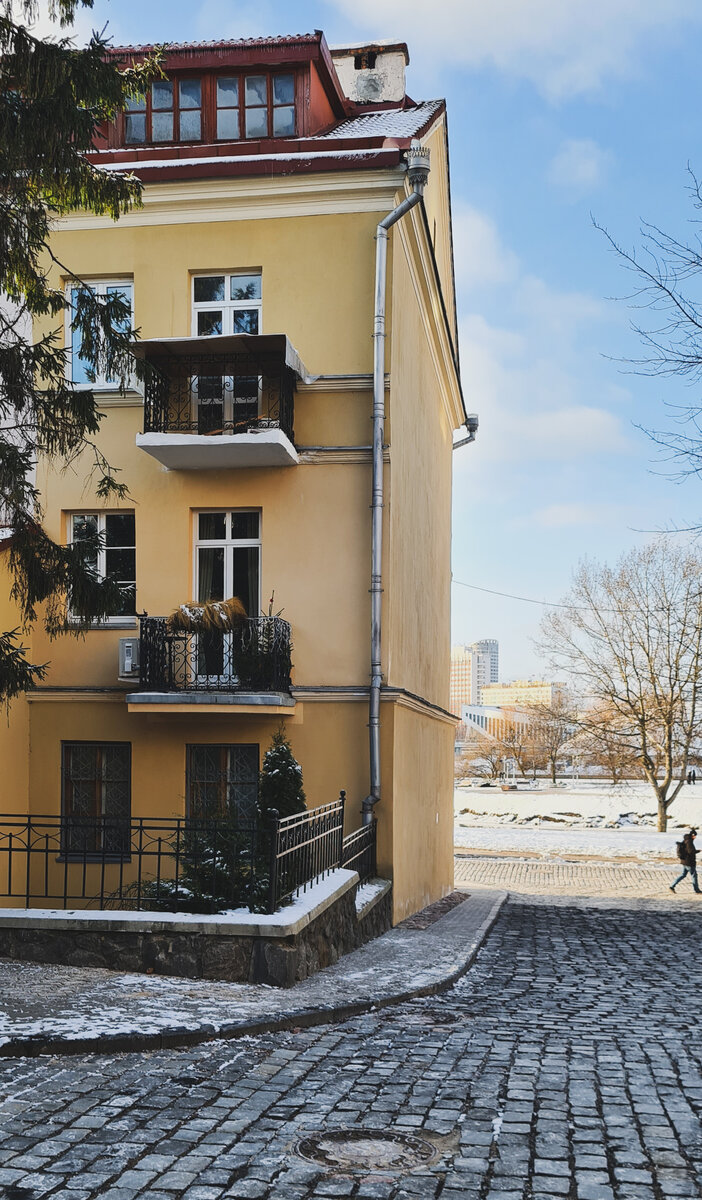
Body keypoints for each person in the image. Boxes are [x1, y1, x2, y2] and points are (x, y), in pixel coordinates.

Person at [671, 829, 702, 894]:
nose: (695, 837)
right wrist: (698, 851)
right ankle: (697, 890)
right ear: (692, 835)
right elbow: (691, 851)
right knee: (694, 876)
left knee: (683, 875)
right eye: (695, 836)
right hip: (689, 862)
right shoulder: (689, 842)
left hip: (684, 861)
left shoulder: (685, 840)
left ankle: (672, 886)